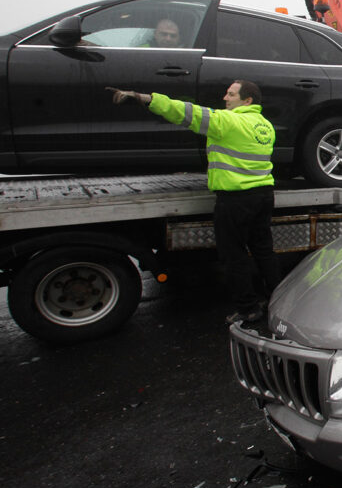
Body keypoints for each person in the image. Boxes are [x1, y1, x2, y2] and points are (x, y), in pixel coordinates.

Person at [107, 81, 280, 323]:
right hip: (263, 195)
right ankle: (277, 298)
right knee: (263, 251)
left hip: (235, 199)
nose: (225, 98)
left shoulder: (227, 121)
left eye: (231, 94)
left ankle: (249, 307)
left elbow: (184, 111)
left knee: (234, 256)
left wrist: (143, 97)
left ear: (247, 100)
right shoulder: (265, 125)